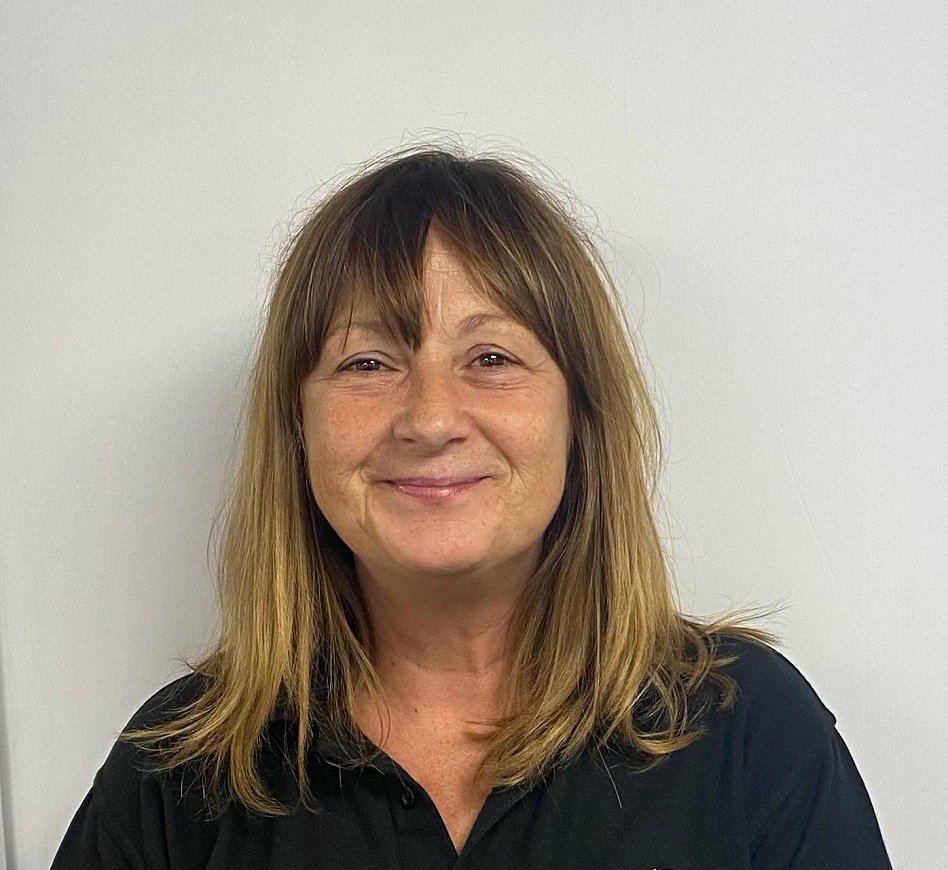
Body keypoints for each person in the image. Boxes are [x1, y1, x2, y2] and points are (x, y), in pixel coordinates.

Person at [52, 146, 892, 868]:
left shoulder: (750, 734)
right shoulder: (175, 775)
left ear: (580, 419)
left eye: (491, 357)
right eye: (366, 362)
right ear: (297, 427)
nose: (429, 419)